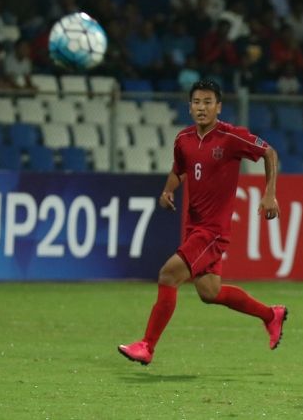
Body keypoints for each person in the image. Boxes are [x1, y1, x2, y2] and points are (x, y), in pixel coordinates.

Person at [118, 80, 288, 366]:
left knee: (168, 275)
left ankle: (147, 346)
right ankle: (271, 315)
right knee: (210, 292)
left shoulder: (231, 136)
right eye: (197, 102)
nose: (202, 107)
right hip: (192, 226)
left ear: (218, 107)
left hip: (213, 231)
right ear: (189, 106)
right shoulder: (183, 139)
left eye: (208, 102)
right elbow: (179, 170)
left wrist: (269, 193)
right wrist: (168, 190)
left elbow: (269, 153)